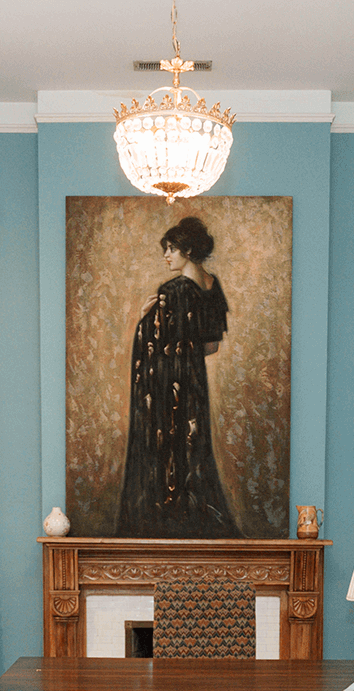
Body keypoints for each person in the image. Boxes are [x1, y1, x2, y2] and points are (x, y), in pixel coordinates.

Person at [116, 216, 241, 538]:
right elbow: (210, 346)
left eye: (171, 249)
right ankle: (191, 516)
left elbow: (156, 345)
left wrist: (144, 321)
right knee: (191, 445)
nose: (166, 256)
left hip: (165, 385)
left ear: (187, 249)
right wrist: (184, 355)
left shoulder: (171, 291)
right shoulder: (213, 285)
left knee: (165, 445)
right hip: (193, 384)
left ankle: (167, 518)